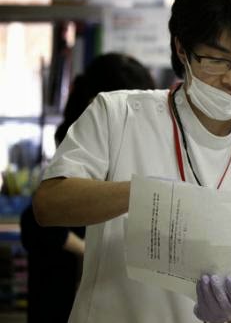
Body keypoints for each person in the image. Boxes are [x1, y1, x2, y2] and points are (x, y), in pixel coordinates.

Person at [32, 0, 231, 322]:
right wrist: (143, 195)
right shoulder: (119, 115)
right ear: (181, 48)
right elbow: (48, 206)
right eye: (217, 60)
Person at [20, 52, 155, 323]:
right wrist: (87, 248)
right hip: (62, 288)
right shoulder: (79, 140)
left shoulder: (138, 146)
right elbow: (38, 218)